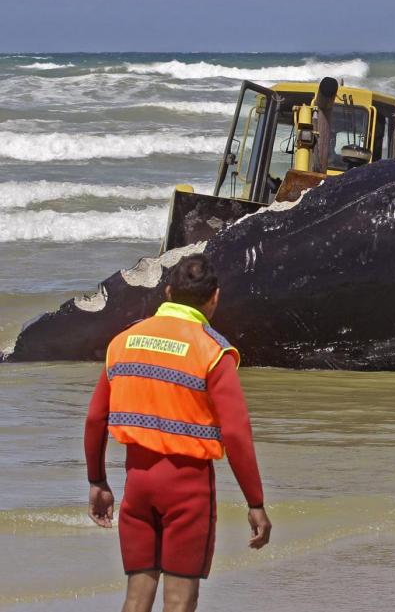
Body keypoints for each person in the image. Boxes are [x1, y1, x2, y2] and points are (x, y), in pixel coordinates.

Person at [85, 254, 270, 612]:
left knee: (137, 597)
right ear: (214, 297)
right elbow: (236, 431)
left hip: (137, 482)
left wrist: (97, 481)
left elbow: (95, 419)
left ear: (168, 291)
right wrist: (255, 502)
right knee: (179, 600)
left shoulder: (124, 341)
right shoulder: (213, 350)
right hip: (187, 486)